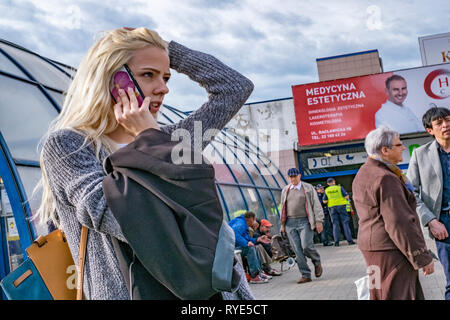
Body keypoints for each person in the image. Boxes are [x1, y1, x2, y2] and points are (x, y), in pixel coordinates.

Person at [35, 27, 254, 300]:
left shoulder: (172, 140)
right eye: (148, 74)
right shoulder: (70, 146)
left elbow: (234, 88)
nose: (163, 88)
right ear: (114, 79)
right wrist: (150, 140)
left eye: (165, 76)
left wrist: (167, 50)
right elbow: (119, 216)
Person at [353, 126, 434, 300]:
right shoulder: (385, 177)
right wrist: (422, 257)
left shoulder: (364, 171)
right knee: (398, 293)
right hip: (391, 250)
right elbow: (400, 223)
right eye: (398, 144)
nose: (403, 148)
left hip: (373, 249)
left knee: (378, 293)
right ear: (385, 150)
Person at [407, 107, 450, 300]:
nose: (446, 125)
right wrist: (431, 220)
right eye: (439, 123)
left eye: (448, 120)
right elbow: (411, 192)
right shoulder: (420, 154)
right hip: (444, 225)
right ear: (429, 130)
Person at [280, 168, 324, 284]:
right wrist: (282, 224)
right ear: (288, 178)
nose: (293, 179)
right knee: (297, 251)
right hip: (290, 223)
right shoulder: (285, 190)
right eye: (291, 177)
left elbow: (316, 205)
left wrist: (319, 221)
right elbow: (283, 208)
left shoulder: (308, 188)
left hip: (305, 221)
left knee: (306, 246)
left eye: (295, 176)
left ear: (299, 176)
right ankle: (305, 274)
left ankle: (316, 261)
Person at [228, 212, 272, 284]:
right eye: (253, 220)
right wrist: (246, 243)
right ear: (249, 219)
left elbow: (247, 238)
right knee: (250, 249)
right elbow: (234, 234)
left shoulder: (242, 223)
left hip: (234, 247)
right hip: (230, 249)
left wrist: (258, 239)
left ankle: (259, 272)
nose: (254, 222)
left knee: (254, 246)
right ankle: (254, 276)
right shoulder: (241, 224)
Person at [323, 178, 355, 246]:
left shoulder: (326, 190)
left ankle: (336, 242)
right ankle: (350, 241)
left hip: (332, 208)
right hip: (342, 207)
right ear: (334, 182)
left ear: (328, 183)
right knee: (345, 223)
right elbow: (346, 196)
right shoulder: (339, 188)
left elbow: (324, 201)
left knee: (335, 224)